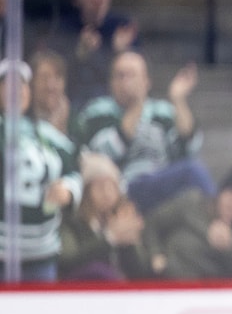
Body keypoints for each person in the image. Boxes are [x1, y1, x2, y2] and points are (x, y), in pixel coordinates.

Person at [74, 50, 215, 214]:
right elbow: (101, 155)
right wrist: (137, 106)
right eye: (120, 76)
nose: (126, 82)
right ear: (111, 82)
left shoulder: (162, 112)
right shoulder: (97, 111)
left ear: (146, 81)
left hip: (163, 184)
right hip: (123, 189)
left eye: (131, 75)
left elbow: (189, 150)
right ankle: (218, 220)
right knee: (192, 171)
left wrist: (178, 100)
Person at [0, 59, 82, 281]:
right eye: (8, 84)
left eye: (23, 84)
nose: (17, 90)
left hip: (42, 253)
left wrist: (68, 189)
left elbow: (74, 172)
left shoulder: (46, 134)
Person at [142, 160, 232, 279]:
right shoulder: (192, 204)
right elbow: (153, 222)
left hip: (214, 296)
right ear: (221, 192)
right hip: (168, 284)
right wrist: (156, 254)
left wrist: (228, 249)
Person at [58, 151, 150, 280]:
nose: (107, 193)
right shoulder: (72, 222)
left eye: (111, 186)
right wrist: (109, 239)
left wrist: (130, 243)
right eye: (100, 187)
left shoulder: (123, 217)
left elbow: (142, 271)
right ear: (86, 191)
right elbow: (68, 260)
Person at [28, 48, 77, 138]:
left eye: (57, 77)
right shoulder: (23, 124)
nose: (51, 86)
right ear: (32, 82)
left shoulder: (76, 124)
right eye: (44, 77)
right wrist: (53, 130)